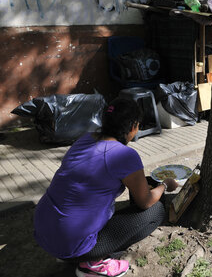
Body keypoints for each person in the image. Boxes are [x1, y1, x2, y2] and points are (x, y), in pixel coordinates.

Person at [34, 98, 178, 277]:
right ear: (133, 126)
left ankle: (69, 252)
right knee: (155, 211)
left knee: (143, 184)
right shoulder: (125, 155)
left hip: (43, 230)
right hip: (71, 243)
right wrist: (165, 185)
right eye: (138, 125)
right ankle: (93, 264)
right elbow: (145, 202)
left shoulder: (85, 139)